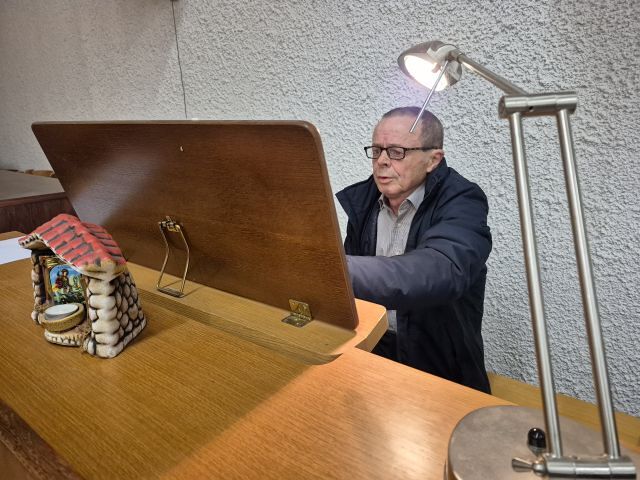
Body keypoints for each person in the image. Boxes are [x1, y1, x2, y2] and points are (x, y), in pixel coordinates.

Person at [336, 107, 492, 393]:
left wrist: (332, 267)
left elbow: (442, 269)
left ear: (433, 160)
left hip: (438, 366)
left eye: (397, 152)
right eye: (377, 150)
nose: (382, 161)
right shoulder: (364, 202)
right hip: (371, 351)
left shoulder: (463, 200)